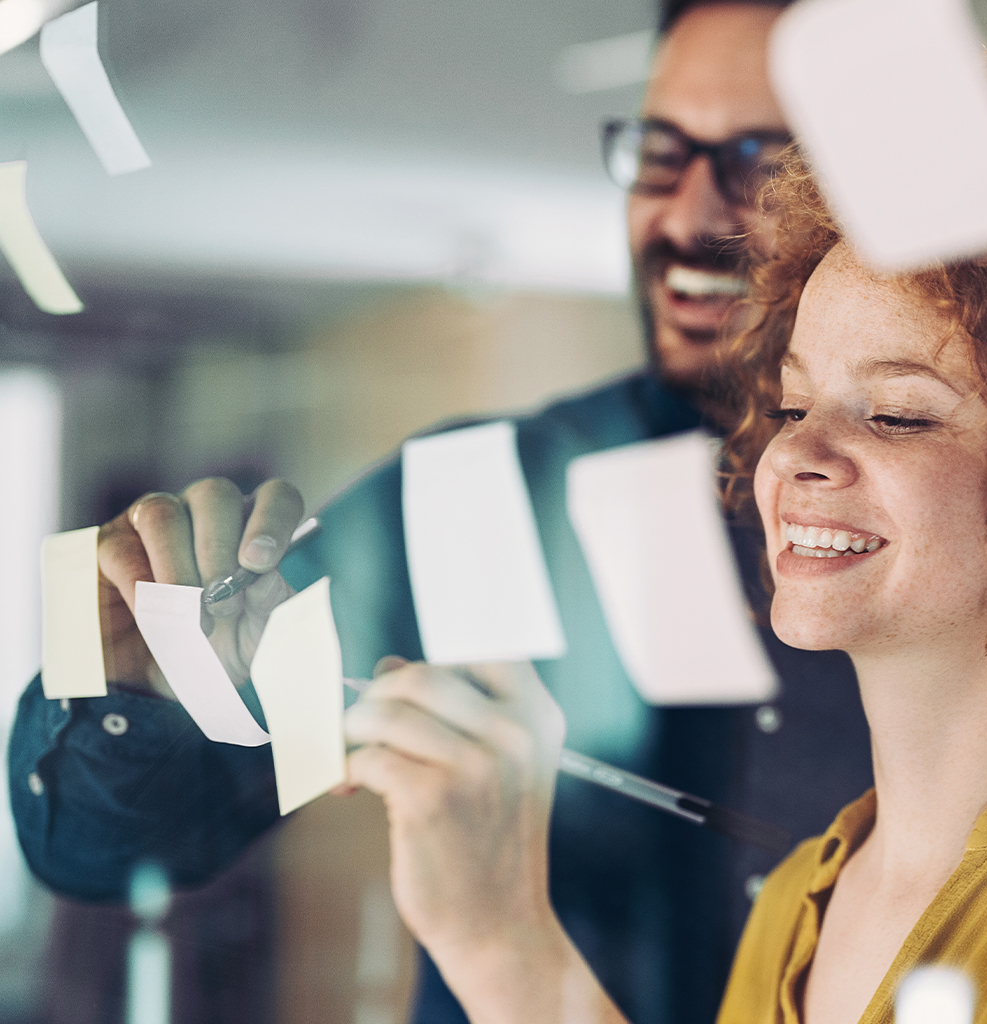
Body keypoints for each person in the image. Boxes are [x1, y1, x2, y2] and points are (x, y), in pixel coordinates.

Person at [338, 53, 987, 1024]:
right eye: (795, 405)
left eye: (897, 413)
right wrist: (490, 935)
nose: (796, 457)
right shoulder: (803, 896)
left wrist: (508, 951)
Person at [7, 4, 873, 1024]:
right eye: (662, 152)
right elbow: (105, 851)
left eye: (757, 160)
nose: (688, 216)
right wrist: (130, 696)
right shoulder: (480, 496)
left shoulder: (986, 522)